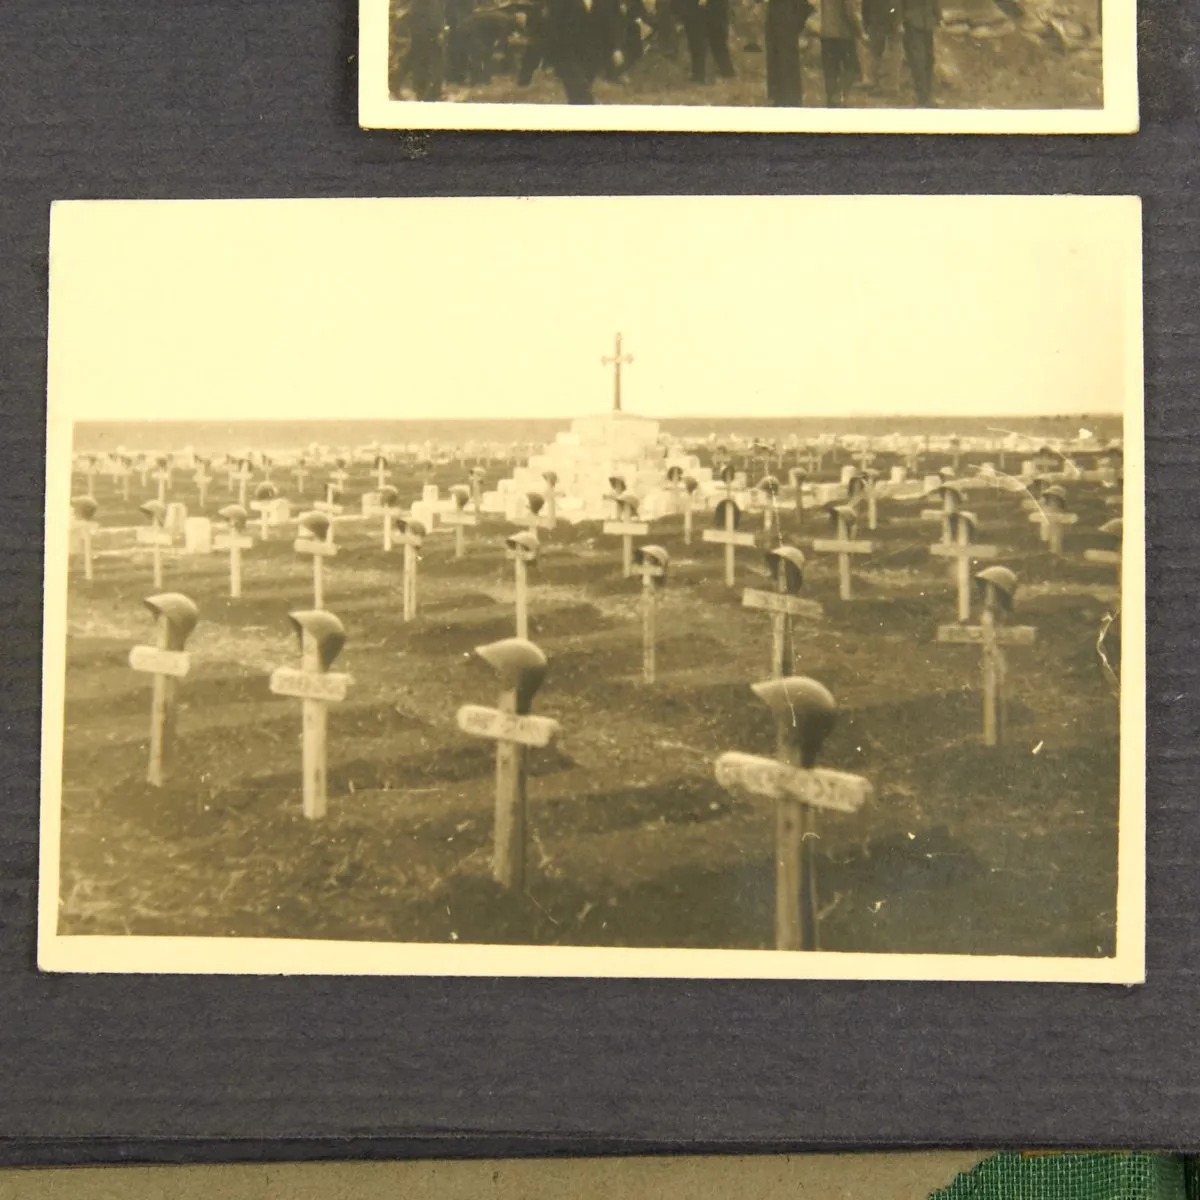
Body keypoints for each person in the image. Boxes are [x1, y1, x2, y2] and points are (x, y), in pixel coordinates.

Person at [765, 0, 813, 105]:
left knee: (785, 59)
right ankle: (782, 97)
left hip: (786, 14)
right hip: (781, 14)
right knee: (778, 58)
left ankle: (788, 98)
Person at [675, 0, 735, 84]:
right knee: (695, 39)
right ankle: (699, 73)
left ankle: (726, 72)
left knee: (716, 39)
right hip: (694, 6)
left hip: (710, 6)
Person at [818, 0, 863, 106]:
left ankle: (831, 102)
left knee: (830, 72)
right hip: (843, 34)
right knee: (852, 69)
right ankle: (838, 96)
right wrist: (860, 32)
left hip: (826, 33)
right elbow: (850, 12)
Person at [898, 0, 939, 105]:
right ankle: (922, 96)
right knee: (918, 59)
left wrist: (938, 16)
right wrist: (899, 21)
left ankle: (926, 95)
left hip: (926, 22)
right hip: (913, 22)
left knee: (928, 59)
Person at [860, 0, 897, 90]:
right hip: (880, 23)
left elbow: (865, 9)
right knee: (878, 53)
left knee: (878, 53)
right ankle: (878, 82)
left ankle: (879, 82)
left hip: (879, 23)